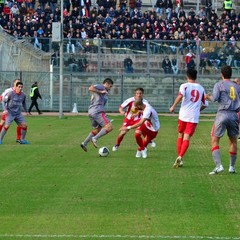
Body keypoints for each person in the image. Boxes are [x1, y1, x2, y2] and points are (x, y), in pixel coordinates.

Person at [169, 69, 208, 168]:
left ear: (187, 76)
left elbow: (180, 96)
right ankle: (180, 157)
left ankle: (179, 157)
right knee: (187, 138)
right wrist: (198, 110)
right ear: (196, 76)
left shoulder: (184, 86)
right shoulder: (201, 88)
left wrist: (173, 106)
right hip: (193, 117)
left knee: (180, 135)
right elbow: (205, 104)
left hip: (183, 115)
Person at [206, 66, 240, 174]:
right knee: (233, 141)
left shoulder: (219, 85)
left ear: (222, 74)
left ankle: (219, 166)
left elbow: (214, 98)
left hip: (222, 114)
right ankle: (232, 167)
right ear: (231, 74)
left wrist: (207, 97)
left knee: (215, 140)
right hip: (234, 114)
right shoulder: (236, 86)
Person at [112, 87, 156, 151]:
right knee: (123, 132)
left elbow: (147, 110)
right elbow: (121, 107)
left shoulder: (145, 102)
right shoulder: (130, 100)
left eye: (140, 93)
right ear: (135, 94)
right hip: (129, 119)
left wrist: (138, 112)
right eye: (137, 93)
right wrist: (123, 112)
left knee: (142, 130)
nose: (138, 95)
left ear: (142, 94)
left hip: (139, 119)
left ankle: (149, 141)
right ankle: (117, 145)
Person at [80, 78, 114, 152]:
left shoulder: (105, 92)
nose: (110, 88)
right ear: (107, 84)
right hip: (97, 111)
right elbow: (91, 88)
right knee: (109, 127)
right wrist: (100, 91)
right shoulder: (102, 87)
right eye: (110, 86)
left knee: (98, 129)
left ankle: (84, 143)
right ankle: (95, 138)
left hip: (92, 111)